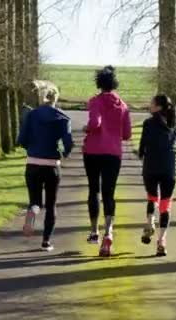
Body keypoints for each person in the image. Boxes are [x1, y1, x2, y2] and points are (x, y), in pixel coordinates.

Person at [83, 66, 132, 257]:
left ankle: (94, 232)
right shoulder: (123, 105)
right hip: (113, 153)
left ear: (99, 83)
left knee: (93, 189)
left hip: (93, 151)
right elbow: (127, 134)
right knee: (109, 192)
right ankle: (108, 232)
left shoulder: (95, 101)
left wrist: (87, 128)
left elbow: (95, 123)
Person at [17, 87, 74, 251]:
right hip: (51, 166)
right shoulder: (63, 118)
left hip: (33, 163)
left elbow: (21, 139)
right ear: (56, 98)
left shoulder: (31, 115)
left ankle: (33, 211)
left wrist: (32, 149)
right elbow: (68, 143)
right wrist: (64, 153)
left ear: (43, 97)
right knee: (51, 205)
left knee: (35, 201)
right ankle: (46, 242)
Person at [138, 95, 176, 257]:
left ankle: (150, 223)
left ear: (158, 107)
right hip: (169, 170)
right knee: (165, 205)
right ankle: (161, 241)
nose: (149, 106)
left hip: (151, 167)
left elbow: (142, 148)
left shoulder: (148, 123)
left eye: (151, 103)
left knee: (152, 197)